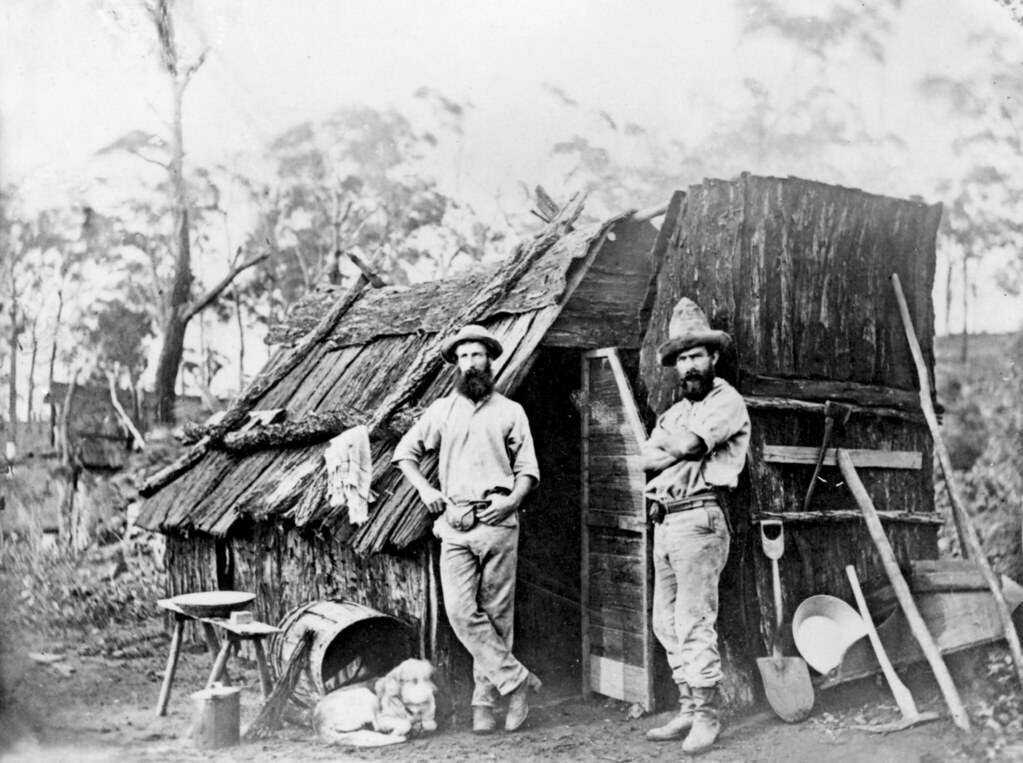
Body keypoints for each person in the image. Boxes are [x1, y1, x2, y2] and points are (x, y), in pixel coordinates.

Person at [393, 324, 542, 734]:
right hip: (455, 523)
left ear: (489, 360)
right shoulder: (441, 411)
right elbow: (404, 453)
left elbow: (528, 470)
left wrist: (511, 500)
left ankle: (484, 704)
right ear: (455, 365)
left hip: (497, 521)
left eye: (477, 355)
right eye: (462, 357)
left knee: (496, 615)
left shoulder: (511, 411)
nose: (470, 363)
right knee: (461, 610)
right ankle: (517, 681)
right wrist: (425, 490)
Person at [640, 298, 750, 755]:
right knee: (664, 621)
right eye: (682, 358)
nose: (689, 365)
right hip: (665, 520)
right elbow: (647, 458)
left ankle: (707, 714)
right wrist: (672, 449)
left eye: (696, 355)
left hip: (701, 517)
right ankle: (687, 704)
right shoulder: (673, 411)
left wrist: (675, 450)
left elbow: (687, 448)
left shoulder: (725, 400)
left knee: (693, 619)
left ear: (713, 358)